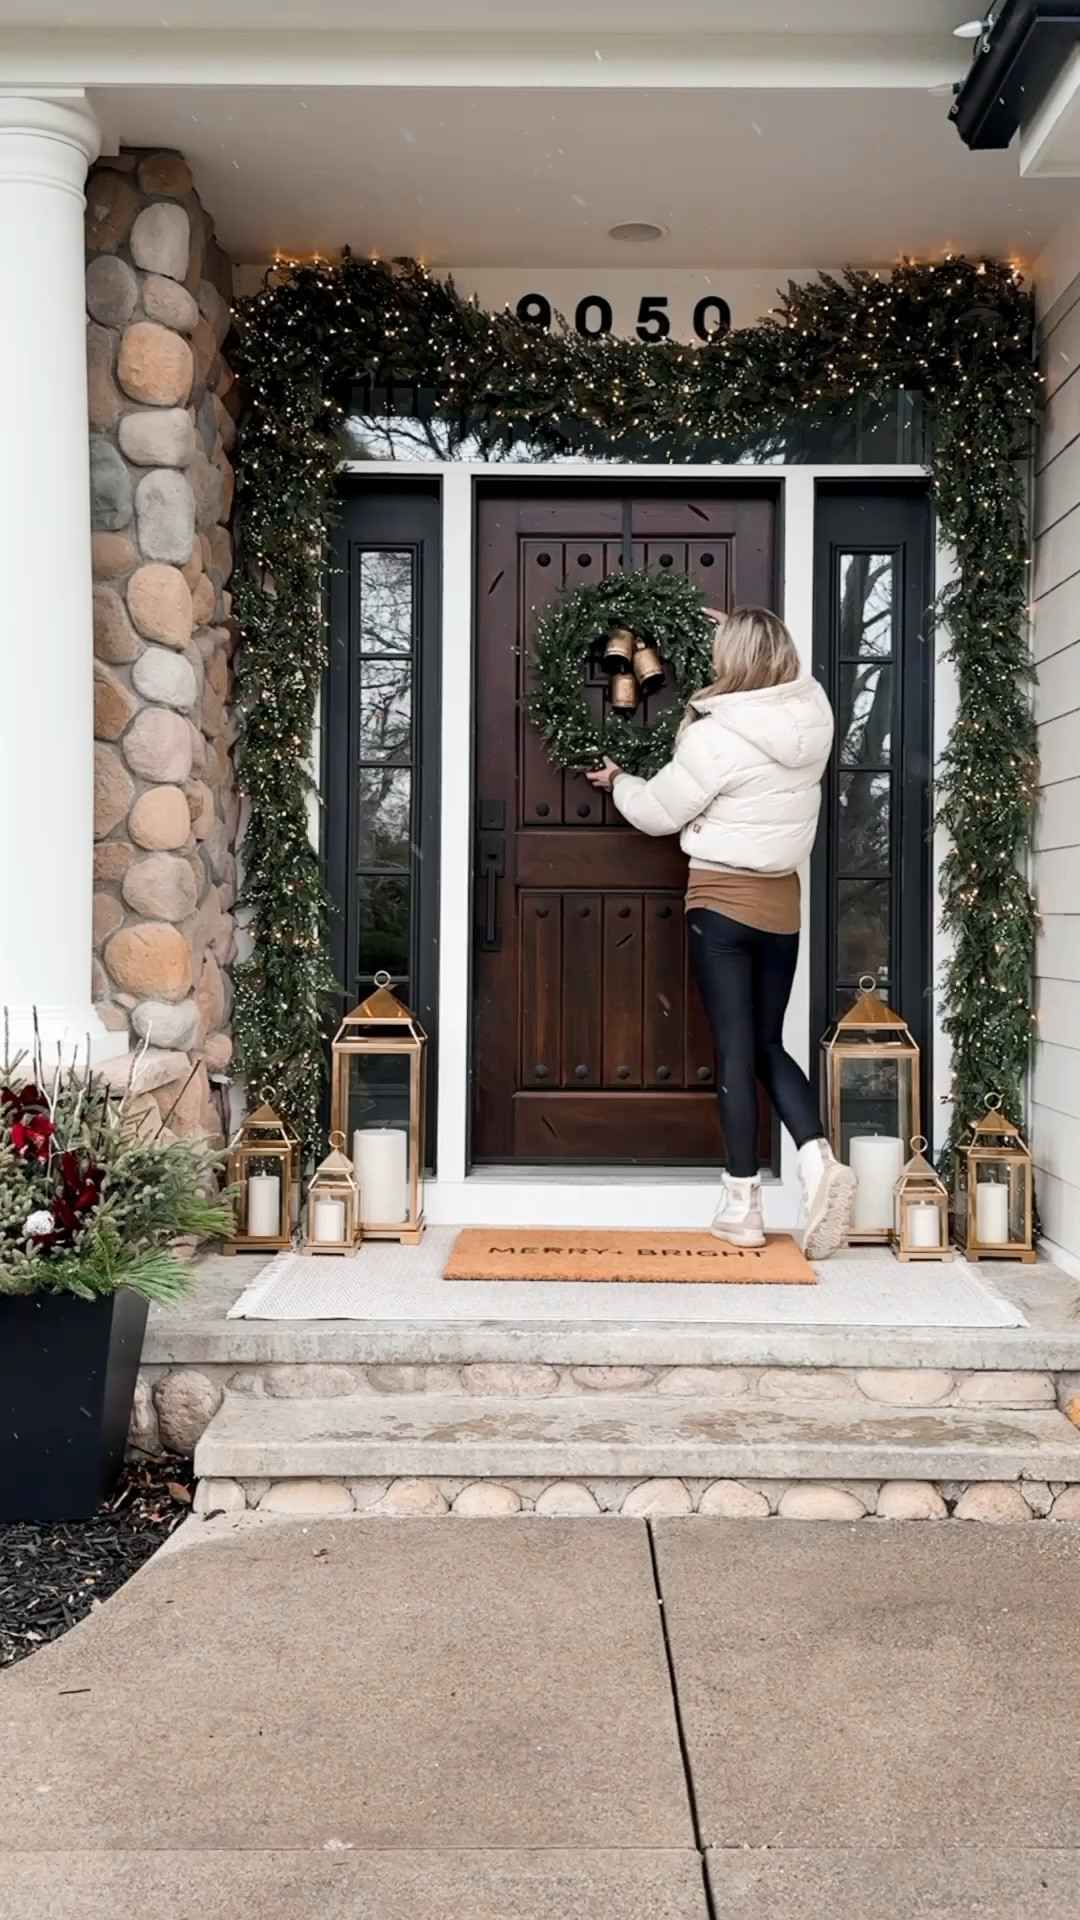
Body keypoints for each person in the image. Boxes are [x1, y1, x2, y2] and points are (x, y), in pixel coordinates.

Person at [586, 605, 855, 1259]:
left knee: (735, 1051)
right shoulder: (814, 717)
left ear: (730, 657)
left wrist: (620, 781)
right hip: (782, 906)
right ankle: (818, 1162)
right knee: (766, 1042)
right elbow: (786, 675)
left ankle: (742, 1207)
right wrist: (748, 626)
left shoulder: (716, 737)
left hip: (723, 905)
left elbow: (659, 812)